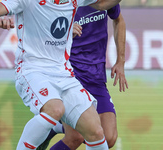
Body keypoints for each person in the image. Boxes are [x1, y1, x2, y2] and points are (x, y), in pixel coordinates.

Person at [0, 0, 122, 149]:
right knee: (55, 109)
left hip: (63, 73)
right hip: (33, 70)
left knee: (96, 131)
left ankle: (54, 128)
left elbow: (104, 4)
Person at [38, 4, 128, 150]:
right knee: (75, 137)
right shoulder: (64, 3)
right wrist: (65, 29)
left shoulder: (104, 2)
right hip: (70, 74)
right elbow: (41, 30)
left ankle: (56, 126)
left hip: (96, 77)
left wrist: (120, 61)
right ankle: (58, 126)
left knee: (109, 138)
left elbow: (119, 20)